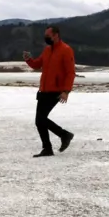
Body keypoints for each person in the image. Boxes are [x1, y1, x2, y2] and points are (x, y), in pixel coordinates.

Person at [23, 25, 76, 157]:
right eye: (45, 36)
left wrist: (66, 91)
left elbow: (71, 73)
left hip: (56, 91)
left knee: (41, 118)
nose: (46, 38)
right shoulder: (47, 50)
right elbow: (37, 64)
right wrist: (29, 59)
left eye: (48, 36)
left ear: (56, 35)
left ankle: (64, 135)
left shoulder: (66, 50)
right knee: (39, 121)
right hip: (44, 90)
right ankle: (48, 148)